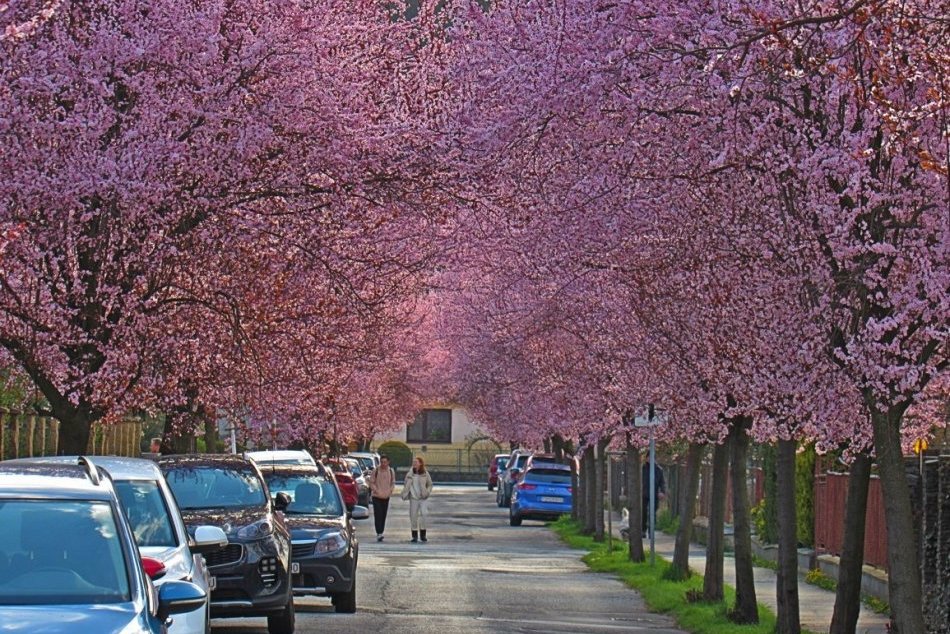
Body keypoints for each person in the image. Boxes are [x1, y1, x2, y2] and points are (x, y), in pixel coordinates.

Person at [402, 456, 433, 543]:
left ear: (420, 463)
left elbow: (430, 484)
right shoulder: (409, 474)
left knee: (424, 514)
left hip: (423, 497)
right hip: (413, 497)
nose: (414, 464)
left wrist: (427, 492)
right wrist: (406, 492)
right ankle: (414, 535)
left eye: (416, 462)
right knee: (413, 516)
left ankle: (423, 534)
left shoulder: (425, 473)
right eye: (413, 462)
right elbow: (405, 484)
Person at [367, 454, 396, 542]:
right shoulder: (376, 471)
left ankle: (381, 531)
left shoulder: (391, 471)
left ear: (388, 462)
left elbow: (393, 482)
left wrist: (390, 490)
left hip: (386, 496)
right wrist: (375, 490)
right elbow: (371, 482)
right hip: (377, 496)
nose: (383, 464)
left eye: (385, 462)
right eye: (382, 462)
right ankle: (379, 532)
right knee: (378, 514)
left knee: (383, 515)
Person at [641, 458, 665, 537]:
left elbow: (662, 482)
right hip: (644, 493)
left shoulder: (658, 470)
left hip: (654, 494)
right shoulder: (643, 468)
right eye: (648, 457)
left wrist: (662, 491)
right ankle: (643, 530)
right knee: (643, 512)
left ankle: (651, 531)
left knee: (653, 513)